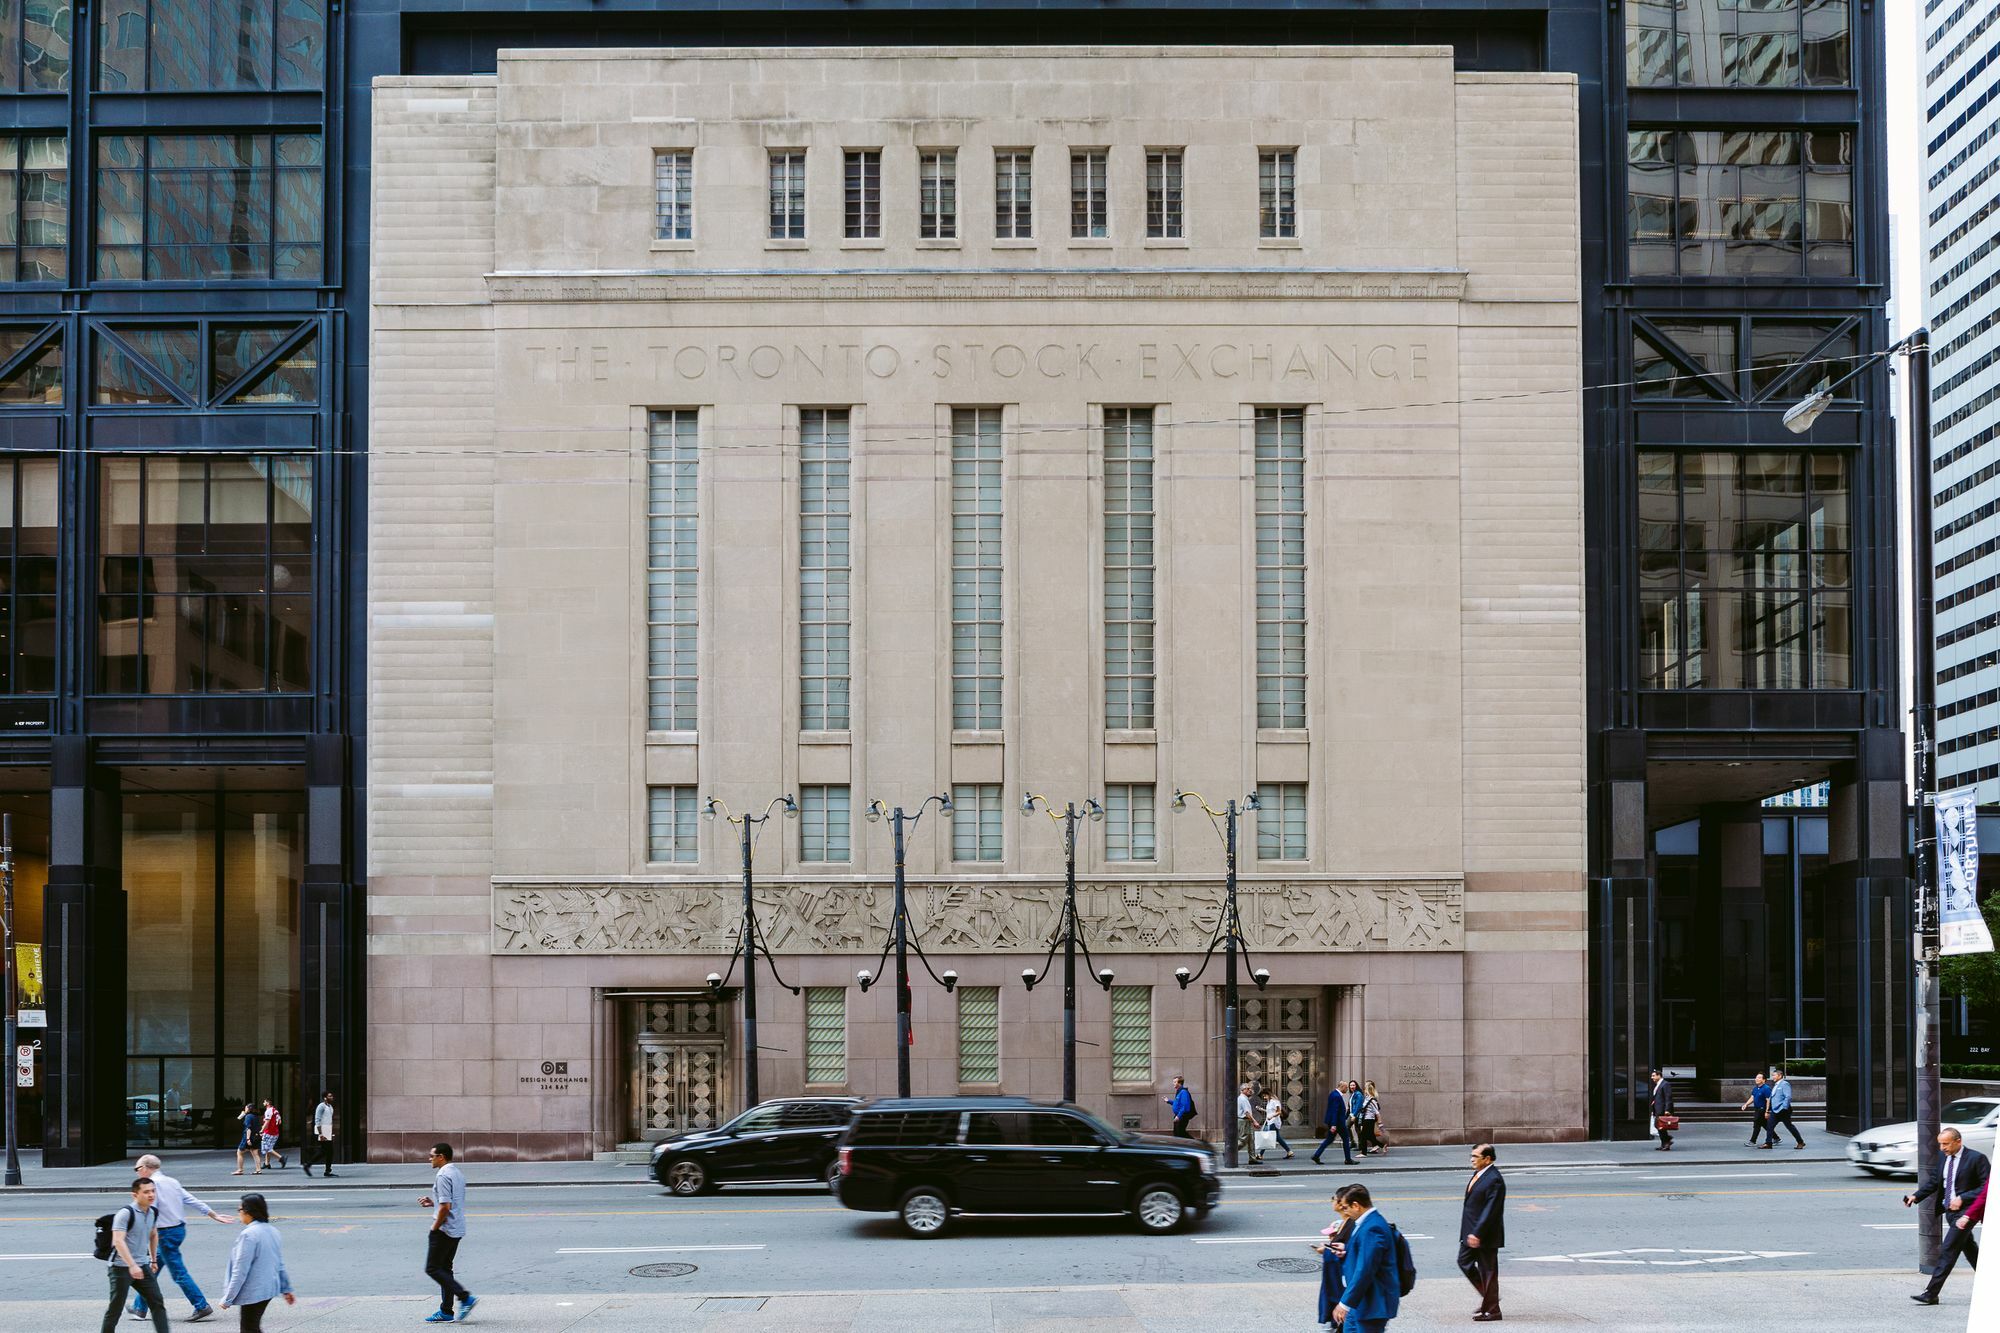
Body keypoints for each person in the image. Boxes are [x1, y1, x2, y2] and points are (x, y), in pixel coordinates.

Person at [127, 1154, 230, 1324]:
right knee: (153, 1268)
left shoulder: (151, 1187)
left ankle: (201, 1305)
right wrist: (213, 1214)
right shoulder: (172, 1182)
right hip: (178, 1230)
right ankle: (139, 1307)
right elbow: (191, 1200)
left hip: (165, 1233)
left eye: (137, 1169)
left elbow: (150, 1212)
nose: (137, 1173)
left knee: (178, 1273)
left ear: (145, 1168)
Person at [1904, 1125, 1990, 1305]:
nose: (1942, 1148)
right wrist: (1916, 1196)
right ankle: (1992, 1284)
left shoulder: (1976, 1158)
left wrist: (1963, 1197)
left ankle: (1931, 1293)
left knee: (1947, 1251)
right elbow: (1935, 1181)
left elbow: (1987, 1187)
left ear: (1958, 1141)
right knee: (1971, 1251)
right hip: (1950, 1212)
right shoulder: (1944, 1158)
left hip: (1967, 1212)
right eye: (1940, 1144)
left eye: (1946, 1144)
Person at [1329, 1182, 1401, 1333]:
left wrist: (1344, 1303)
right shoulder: (1366, 1223)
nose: (1345, 1213)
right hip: (1360, 1301)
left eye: (1346, 1208)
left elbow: (1365, 1269)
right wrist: (1346, 1249)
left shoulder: (1372, 1228)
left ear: (1356, 1205)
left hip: (1371, 1303)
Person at [218, 1194, 295, 1332]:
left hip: (253, 1292)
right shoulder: (273, 1231)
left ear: (249, 1212)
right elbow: (279, 1263)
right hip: (267, 1290)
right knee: (252, 1327)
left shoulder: (248, 1235)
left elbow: (240, 1270)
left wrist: (228, 1298)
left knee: (249, 1328)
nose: (239, 1213)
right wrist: (286, 1288)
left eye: (240, 1210)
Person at [419, 1141, 477, 1324]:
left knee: (432, 1268)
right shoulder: (456, 1172)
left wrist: (434, 1227)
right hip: (457, 1227)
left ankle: (465, 1297)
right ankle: (446, 1311)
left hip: (444, 1229)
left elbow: (446, 1206)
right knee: (445, 1268)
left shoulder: (443, 1175)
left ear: (441, 1157)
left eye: (431, 1155)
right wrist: (433, 1202)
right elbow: (447, 1202)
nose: (429, 1159)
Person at [103, 1177, 168, 1333]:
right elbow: (118, 1241)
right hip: (120, 1268)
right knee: (116, 1308)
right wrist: (131, 1265)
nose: (151, 1195)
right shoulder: (125, 1214)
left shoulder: (153, 1211)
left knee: (157, 1303)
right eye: (146, 1192)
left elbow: (153, 1235)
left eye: (153, 1191)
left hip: (142, 1266)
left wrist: (153, 1260)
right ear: (135, 1195)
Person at [1458, 1143, 1506, 1322]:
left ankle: (1493, 1310)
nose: (1471, 1159)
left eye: (1475, 1156)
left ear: (1487, 1159)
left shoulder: (1495, 1179)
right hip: (1470, 1232)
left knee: (1488, 1271)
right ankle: (1489, 1297)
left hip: (1484, 1235)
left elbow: (1490, 1210)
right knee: (1464, 1262)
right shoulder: (1479, 1174)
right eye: (1471, 1155)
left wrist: (1477, 1233)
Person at [1314, 1186, 1358, 1328]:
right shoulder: (1342, 1224)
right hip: (1334, 1283)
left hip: (1340, 1286)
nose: (1331, 1201)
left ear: (1341, 1203)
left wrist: (1327, 1251)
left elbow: (1351, 1257)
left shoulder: (1353, 1225)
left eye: (1333, 1199)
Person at [1761, 1067, 1805, 1150]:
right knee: (1769, 1126)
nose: (1773, 1077)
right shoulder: (1776, 1085)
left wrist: (1784, 1107)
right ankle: (1768, 1143)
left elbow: (1788, 1097)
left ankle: (1800, 1142)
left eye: (1774, 1075)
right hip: (1775, 1110)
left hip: (1783, 1110)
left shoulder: (1784, 1084)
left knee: (1789, 1126)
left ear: (1780, 1075)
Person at [1313, 1081, 1356, 1166]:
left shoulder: (1333, 1094)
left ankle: (1316, 1155)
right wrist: (1333, 1124)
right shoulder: (1336, 1096)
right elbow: (1334, 1111)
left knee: (1329, 1139)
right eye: (1346, 1087)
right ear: (1342, 1087)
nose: (1347, 1089)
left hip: (1335, 1122)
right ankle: (1348, 1159)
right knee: (1346, 1139)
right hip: (1338, 1122)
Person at [305, 1093, 338, 1178]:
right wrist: (321, 1134)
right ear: (325, 1098)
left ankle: (310, 1165)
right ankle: (324, 1170)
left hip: (327, 1131)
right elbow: (317, 1120)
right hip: (322, 1131)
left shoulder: (330, 1107)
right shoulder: (321, 1106)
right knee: (328, 1151)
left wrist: (331, 1132)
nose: (332, 1097)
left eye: (332, 1096)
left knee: (326, 1151)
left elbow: (329, 1120)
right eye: (330, 1096)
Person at [1741, 1072, 1771, 1147]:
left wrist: (1767, 1111)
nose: (1757, 1079)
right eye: (1756, 1077)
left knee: (1757, 1124)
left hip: (1762, 1109)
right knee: (1765, 1125)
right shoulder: (1755, 1088)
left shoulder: (1766, 1088)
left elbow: (1768, 1100)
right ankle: (1776, 1138)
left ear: (1764, 1080)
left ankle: (1753, 1141)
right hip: (1757, 1109)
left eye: (1759, 1078)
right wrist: (1746, 1104)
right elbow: (1752, 1097)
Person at [1264, 1089, 1296, 1160]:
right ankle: (1289, 1151)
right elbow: (1270, 1111)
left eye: (1265, 1096)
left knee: (1267, 1137)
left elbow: (1278, 1112)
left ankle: (1260, 1154)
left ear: (1269, 1094)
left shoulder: (1275, 1101)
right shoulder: (1269, 1102)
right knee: (1277, 1138)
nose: (1264, 1097)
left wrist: (1272, 1116)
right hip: (1270, 1121)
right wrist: (1261, 1109)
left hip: (1274, 1122)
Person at [1648, 1070, 1675, 1151]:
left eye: (1653, 1076)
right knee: (1659, 1126)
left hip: (1662, 1110)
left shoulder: (1665, 1084)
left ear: (1659, 1075)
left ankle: (1667, 1142)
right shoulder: (1658, 1085)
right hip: (1657, 1109)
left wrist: (1667, 1110)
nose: (1652, 1077)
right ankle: (1665, 1143)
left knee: (1660, 1127)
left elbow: (1668, 1098)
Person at [1238, 1082, 1263, 1164]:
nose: (1250, 1090)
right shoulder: (1243, 1099)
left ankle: (1252, 1158)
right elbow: (1247, 1113)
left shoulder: (1244, 1098)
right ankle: (1229, 1152)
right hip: (1244, 1121)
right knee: (1243, 1140)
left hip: (1246, 1121)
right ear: (1242, 1090)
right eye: (1247, 1089)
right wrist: (1255, 1121)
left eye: (1250, 1088)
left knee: (1251, 1140)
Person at [257, 1100, 286, 1172]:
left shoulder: (268, 1111)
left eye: (264, 1102)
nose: (263, 1103)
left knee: (267, 1148)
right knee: (269, 1147)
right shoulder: (275, 1111)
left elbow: (267, 1122)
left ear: (268, 1103)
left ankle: (281, 1158)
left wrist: (262, 1130)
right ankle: (267, 1163)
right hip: (275, 1132)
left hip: (269, 1132)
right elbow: (279, 1121)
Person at [232, 1105, 259, 1177]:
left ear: (249, 1109)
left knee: (239, 1152)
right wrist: (243, 1114)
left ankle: (240, 1170)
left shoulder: (248, 1117)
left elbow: (248, 1128)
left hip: (248, 1137)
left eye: (246, 1108)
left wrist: (247, 1139)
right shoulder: (255, 1116)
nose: (244, 1109)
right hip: (255, 1137)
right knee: (255, 1153)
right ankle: (258, 1170)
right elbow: (239, 1118)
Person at [1359, 1081, 1384, 1155]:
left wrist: (1380, 1123)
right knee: (1368, 1136)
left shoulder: (1372, 1100)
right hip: (1366, 1119)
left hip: (1369, 1120)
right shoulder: (1367, 1098)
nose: (1364, 1090)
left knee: (1364, 1136)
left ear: (1368, 1090)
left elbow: (1377, 1112)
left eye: (1365, 1089)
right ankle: (1381, 1145)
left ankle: (1363, 1153)